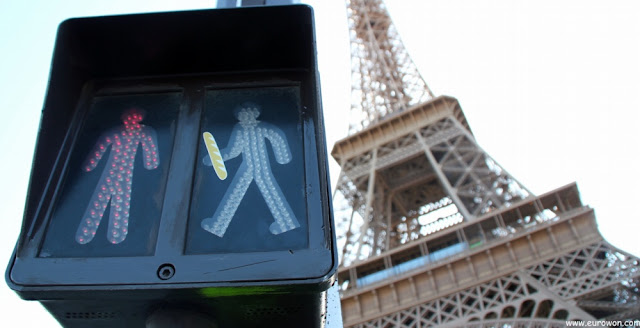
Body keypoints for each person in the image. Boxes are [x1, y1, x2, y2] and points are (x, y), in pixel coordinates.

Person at [201, 102, 300, 237]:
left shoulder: (260, 128)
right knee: (239, 194)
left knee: (242, 194)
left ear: (256, 114)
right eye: (243, 114)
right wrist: (214, 159)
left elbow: (276, 138)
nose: (247, 117)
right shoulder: (240, 129)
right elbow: (233, 151)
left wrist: (283, 157)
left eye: (249, 113)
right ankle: (218, 225)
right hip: (250, 167)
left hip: (258, 167)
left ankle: (218, 225)